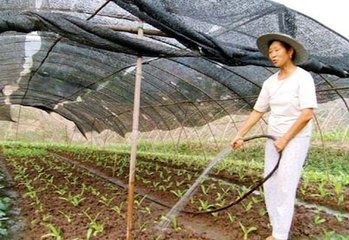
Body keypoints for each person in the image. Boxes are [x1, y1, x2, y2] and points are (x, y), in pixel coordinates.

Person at [231, 33, 318, 240]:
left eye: (277, 50)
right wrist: (240, 134)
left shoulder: (302, 77)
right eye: (270, 52)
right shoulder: (270, 83)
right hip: (274, 136)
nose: (272, 55)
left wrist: (286, 139)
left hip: (295, 138)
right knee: (269, 183)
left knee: (285, 183)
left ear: (290, 51)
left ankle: (280, 235)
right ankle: (276, 229)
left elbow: (307, 113)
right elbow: (258, 111)